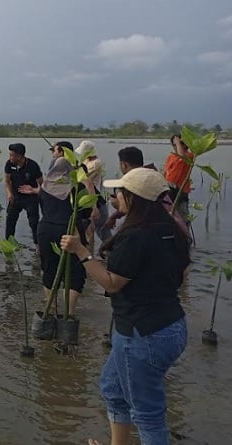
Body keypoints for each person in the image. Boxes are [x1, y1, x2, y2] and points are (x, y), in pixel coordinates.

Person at [60, 167, 190, 445]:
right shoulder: (172, 229)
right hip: (172, 326)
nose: (115, 196)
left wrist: (81, 251)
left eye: (120, 192)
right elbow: (180, 273)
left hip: (142, 334)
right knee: (113, 388)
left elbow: (111, 283)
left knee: (147, 414)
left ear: (134, 198)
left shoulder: (136, 236)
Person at [19, 141, 96, 316]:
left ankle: (50, 311)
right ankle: (68, 314)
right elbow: (85, 213)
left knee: (49, 269)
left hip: (45, 229)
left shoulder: (46, 186)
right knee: (76, 272)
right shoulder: (77, 186)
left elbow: (43, 204)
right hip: (69, 230)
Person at [4, 142, 43, 245]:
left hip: (30, 198)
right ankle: (8, 245)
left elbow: (42, 185)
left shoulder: (33, 166)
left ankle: (38, 246)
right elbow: (7, 181)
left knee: (34, 223)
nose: (10, 157)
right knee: (10, 221)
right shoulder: (9, 164)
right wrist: (9, 193)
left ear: (19, 156)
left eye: (11, 155)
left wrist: (33, 190)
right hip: (15, 197)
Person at [76, 140, 110, 250]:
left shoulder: (96, 163)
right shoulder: (86, 161)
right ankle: (90, 252)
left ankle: (110, 250)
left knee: (100, 229)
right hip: (87, 197)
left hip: (94, 196)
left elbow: (85, 179)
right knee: (89, 230)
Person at [164, 134, 193, 221]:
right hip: (169, 190)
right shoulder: (171, 156)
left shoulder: (189, 156)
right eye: (174, 144)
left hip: (181, 191)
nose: (177, 146)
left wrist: (177, 142)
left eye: (181, 143)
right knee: (168, 215)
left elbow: (182, 157)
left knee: (182, 217)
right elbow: (165, 172)